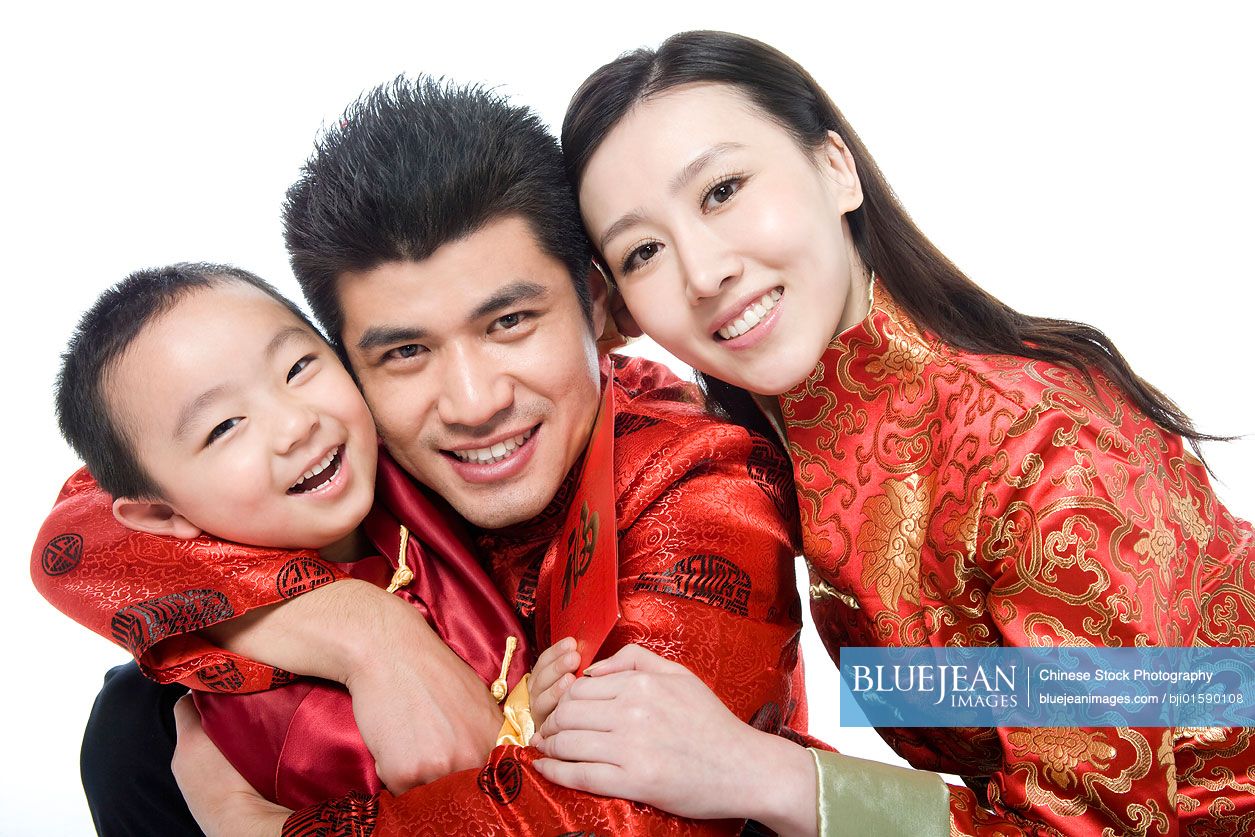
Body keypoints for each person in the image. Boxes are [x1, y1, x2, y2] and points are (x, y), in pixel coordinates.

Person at [531, 29, 1255, 836]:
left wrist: (758, 770)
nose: (702, 273)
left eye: (722, 189)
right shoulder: (792, 453)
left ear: (835, 168)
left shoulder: (1043, 453)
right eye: (643, 251)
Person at [50, 77, 807, 835]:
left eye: (509, 321)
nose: (472, 403)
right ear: (347, 359)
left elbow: (613, 820)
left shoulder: (701, 479)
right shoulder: (334, 436)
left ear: (598, 302)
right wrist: (368, 634)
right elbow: (84, 525)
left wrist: (249, 824)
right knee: (137, 721)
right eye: (406, 351)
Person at [34, 262, 532, 819]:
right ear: (156, 512)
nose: (296, 424)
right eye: (224, 426)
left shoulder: (462, 469)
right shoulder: (191, 733)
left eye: (298, 367)